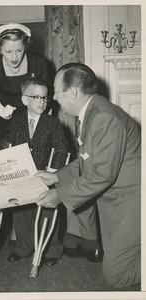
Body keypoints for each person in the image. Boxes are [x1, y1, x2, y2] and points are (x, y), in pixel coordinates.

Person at [35, 63, 141, 288]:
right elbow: (88, 160)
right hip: (117, 200)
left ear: (72, 93)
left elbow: (101, 174)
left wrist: (59, 196)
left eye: (56, 91)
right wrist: (56, 177)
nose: (54, 97)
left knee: (117, 276)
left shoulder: (103, 117)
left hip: (132, 201)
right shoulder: (91, 112)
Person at [1, 77, 68, 266]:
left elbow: (61, 149)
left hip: (44, 174)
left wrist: (53, 172)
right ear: (24, 100)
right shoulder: (17, 120)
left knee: (48, 211)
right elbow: (9, 140)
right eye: (36, 97)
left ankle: (52, 248)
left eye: (45, 98)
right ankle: (23, 246)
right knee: (21, 213)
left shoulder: (52, 123)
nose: (42, 102)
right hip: (22, 174)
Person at [0, 23, 53, 143]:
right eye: (8, 51)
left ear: (25, 46)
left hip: (36, 116)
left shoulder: (39, 62)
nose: (14, 57)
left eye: (19, 50)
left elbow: (48, 94)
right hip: (6, 120)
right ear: (0, 49)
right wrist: (1, 111)